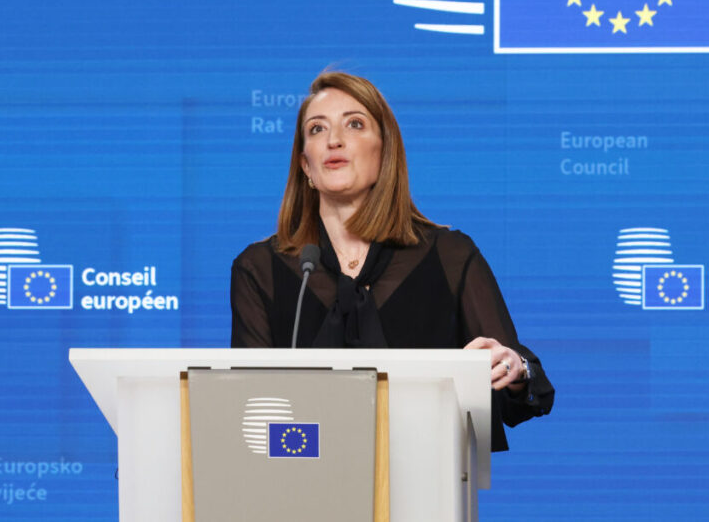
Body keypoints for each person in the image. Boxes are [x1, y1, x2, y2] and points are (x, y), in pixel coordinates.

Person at [230, 71, 553, 450]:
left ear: (385, 151)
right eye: (317, 129)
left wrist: (514, 367)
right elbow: (249, 411)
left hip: (426, 477)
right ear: (305, 165)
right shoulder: (260, 269)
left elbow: (525, 393)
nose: (333, 140)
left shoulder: (449, 256)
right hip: (299, 476)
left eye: (354, 124)